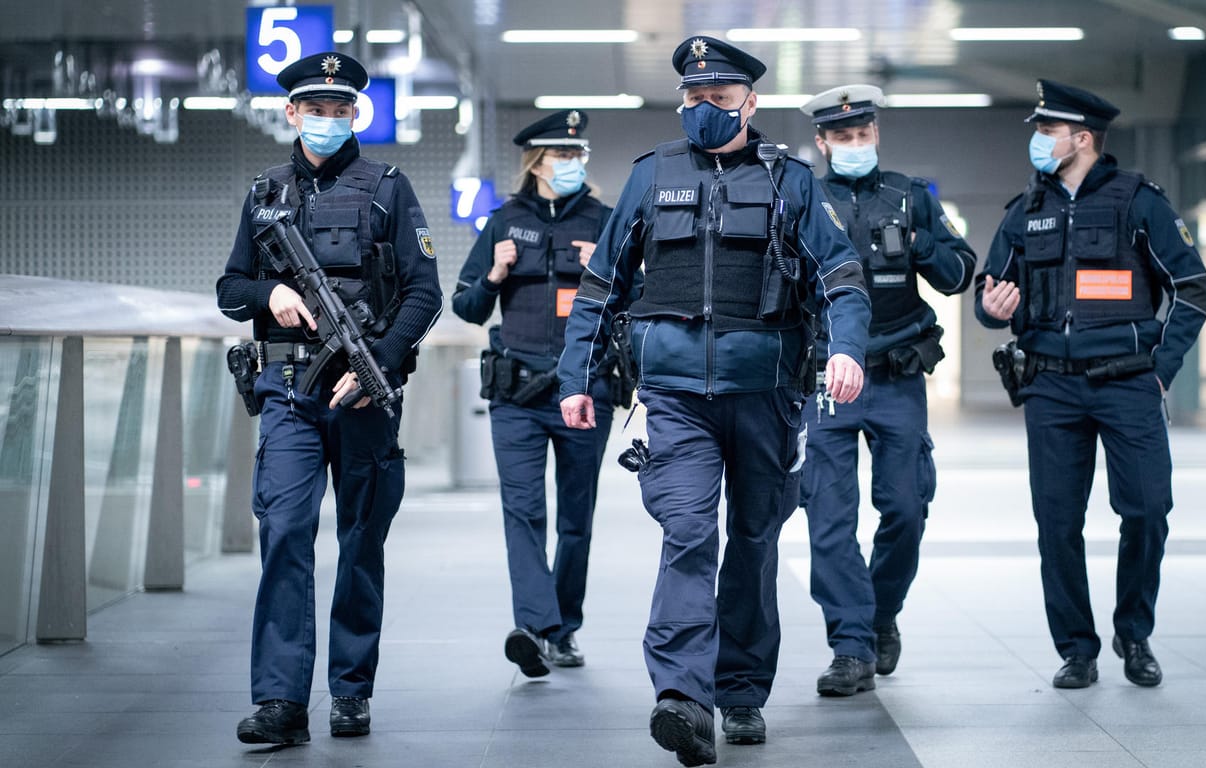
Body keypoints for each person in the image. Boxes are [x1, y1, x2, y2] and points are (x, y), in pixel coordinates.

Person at [558, 35, 871, 766]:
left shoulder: (792, 181)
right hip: (674, 397)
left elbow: (841, 276)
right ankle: (682, 698)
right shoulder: (650, 175)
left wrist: (847, 348)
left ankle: (740, 691)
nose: (704, 109)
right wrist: (577, 378)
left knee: (756, 540)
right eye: (693, 98)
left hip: (765, 393)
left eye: (720, 98)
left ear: (749, 103)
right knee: (689, 533)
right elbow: (602, 284)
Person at [216, 51, 442, 744]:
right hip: (288, 391)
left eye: (340, 109)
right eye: (315, 109)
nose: (327, 120)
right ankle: (281, 700)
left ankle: (350, 688)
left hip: (365, 393)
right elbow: (231, 291)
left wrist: (378, 363)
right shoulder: (265, 195)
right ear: (291, 113)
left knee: (360, 540)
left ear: (355, 114)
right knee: (284, 531)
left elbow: (424, 292)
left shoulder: (388, 189)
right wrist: (270, 292)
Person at [974, 80, 1206, 690]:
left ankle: (1135, 631)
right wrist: (992, 309)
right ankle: (1077, 647)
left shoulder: (1140, 201)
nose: (1037, 139)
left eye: (1046, 130)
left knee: (1149, 509)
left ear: (1082, 138)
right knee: (1056, 522)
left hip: (1129, 383)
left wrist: (1162, 368)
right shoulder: (1024, 210)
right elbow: (988, 292)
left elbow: (1191, 288)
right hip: (1050, 385)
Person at [795, 85, 976, 696]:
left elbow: (958, 274)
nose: (853, 145)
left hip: (897, 375)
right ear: (822, 142)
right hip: (826, 377)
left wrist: (919, 242)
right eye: (840, 137)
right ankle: (850, 645)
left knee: (904, 506)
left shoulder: (911, 195)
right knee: (829, 515)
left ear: (877, 135)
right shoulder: (803, 197)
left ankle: (878, 614)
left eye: (862, 134)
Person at [451, 109, 617, 677]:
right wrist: (494, 276)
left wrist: (607, 276)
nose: (571, 163)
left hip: (585, 392)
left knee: (576, 517)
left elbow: (643, 300)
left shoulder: (606, 221)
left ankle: (563, 627)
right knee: (522, 511)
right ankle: (536, 627)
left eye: (578, 155)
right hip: (516, 394)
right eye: (561, 155)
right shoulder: (503, 222)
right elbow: (467, 306)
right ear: (537, 162)